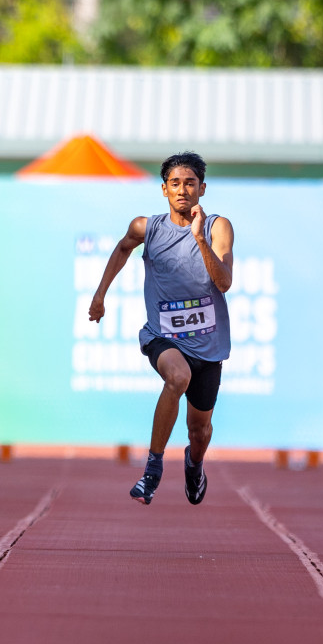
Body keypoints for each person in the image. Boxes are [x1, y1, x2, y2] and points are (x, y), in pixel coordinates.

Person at [88, 151, 233, 507]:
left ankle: (194, 464)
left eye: (190, 183)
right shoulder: (147, 227)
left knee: (199, 432)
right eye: (175, 184)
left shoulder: (217, 227)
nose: (182, 190)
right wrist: (99, 294)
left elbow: (224, 282)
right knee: (177, 376)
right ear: (164, 190)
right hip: (162, 337)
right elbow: (123, 249)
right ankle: (152, 469)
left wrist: (199, 238)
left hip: (208, 346)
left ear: (201, 189)